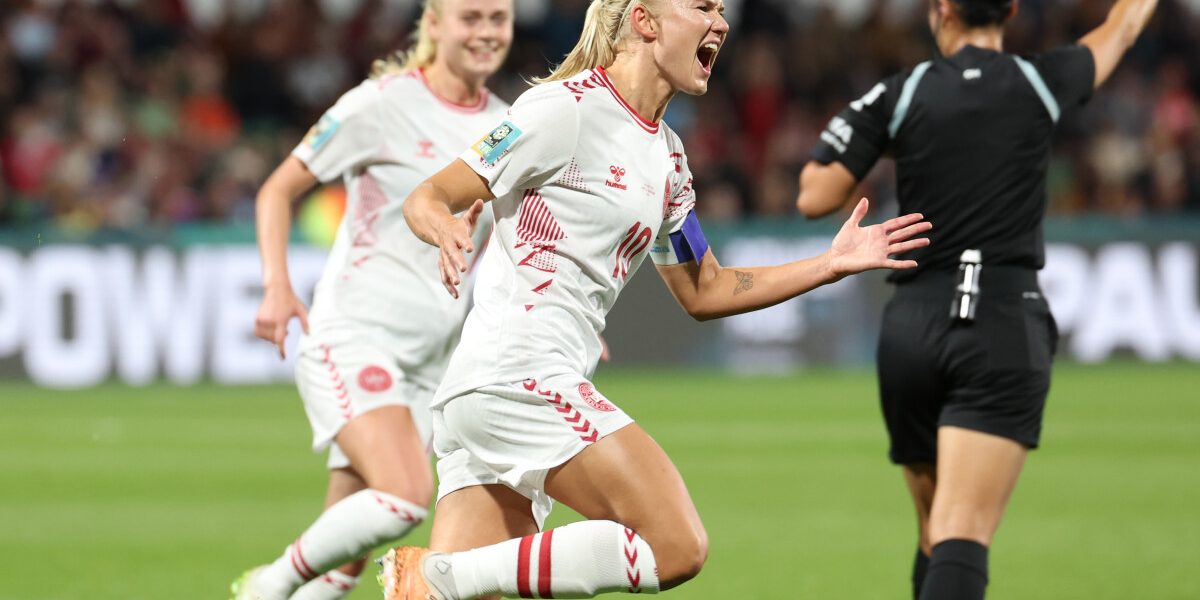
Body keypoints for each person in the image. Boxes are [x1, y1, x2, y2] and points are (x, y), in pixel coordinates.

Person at [379, 0, 932, 598]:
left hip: (495, 393)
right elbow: (429, 195)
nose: (721, 23)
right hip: (518, 375)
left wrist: (828, 264)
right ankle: (444, 579)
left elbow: (704, 287)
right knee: (675, 544)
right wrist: (446, 226)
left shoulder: (668, 157)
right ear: (644, 20)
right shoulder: (563, 110)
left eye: (723, 10)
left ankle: (443, 582)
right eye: (702, 6)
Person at [796, 1, 1159, 598]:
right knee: (962, 532)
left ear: (940, 10)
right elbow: (1120, 28)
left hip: (913, 324)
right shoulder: (1042, 79)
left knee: (934, 531)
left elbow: (815, 193)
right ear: (1010, 9)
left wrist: (901, 140)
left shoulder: (904, 91)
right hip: (998, 318)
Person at [231, 0, 513, 598]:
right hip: (357, 335)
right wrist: (278, 285)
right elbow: (278, 190)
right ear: (433, 23)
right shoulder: (380, 103)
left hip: (431, 361)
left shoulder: (510, 126)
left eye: (499, 17)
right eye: (472, 17)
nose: (487, 32)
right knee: (405, 496)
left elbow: (497, 245)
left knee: (348, 553)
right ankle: (267, 586)